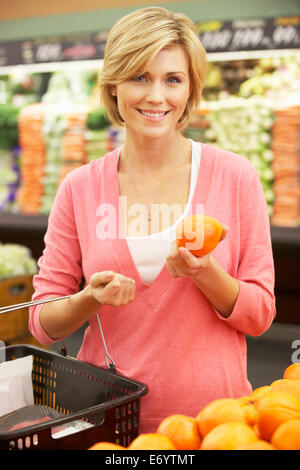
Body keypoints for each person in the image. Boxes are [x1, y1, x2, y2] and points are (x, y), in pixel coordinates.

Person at [29, 7, 276, 434]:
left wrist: (206, 272)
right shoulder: (79, 187)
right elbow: (41, 323)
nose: (156, 96)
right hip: (104, 418)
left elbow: (260, 315)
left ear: (190, 88)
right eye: (139, 77)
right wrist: (90, 298)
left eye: (172, 79)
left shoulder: (235, 177)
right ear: (114, 84)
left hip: (213, 424)